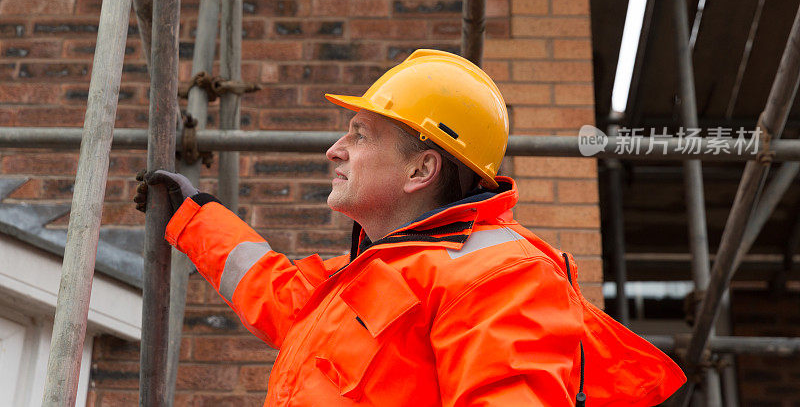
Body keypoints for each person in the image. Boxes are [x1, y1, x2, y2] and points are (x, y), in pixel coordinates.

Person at [136, 49, 685, 406]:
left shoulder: (500, 276)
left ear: (422, 170)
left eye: (360, 134)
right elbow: (277, 294)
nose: (335, 150)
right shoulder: (377, 275)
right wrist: (195, 215)